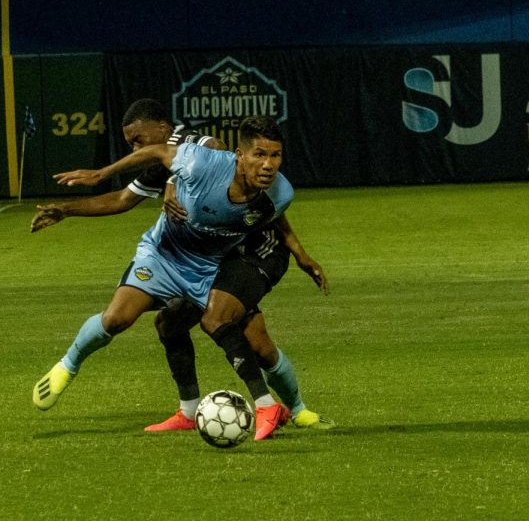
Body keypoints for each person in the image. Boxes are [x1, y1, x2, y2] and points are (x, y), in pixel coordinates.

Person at [31, 99, 333, 431]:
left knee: (259, 344)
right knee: (117, 317)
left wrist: (301, 255)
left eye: (274, 156)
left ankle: (298, 409)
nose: (268, 164)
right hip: (163, 255)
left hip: (210, 268)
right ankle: (66, 366)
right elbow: (153, 161)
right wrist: (102, 177)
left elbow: (273, 217)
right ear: (240, 154)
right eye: (259, 155)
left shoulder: (275, 190)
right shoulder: (198, 161)